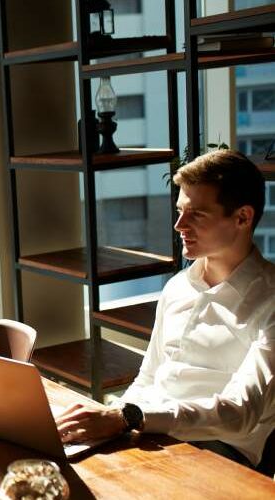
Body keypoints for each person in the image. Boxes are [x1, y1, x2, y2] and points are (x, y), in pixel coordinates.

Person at [55, 149, 274, 472]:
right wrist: (114, 420)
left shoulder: (269, 300)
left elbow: (239, 414)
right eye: (180, 211)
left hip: (218, 453)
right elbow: (149, 378)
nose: (179, 225)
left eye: (196, 214)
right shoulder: (178, 287)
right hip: (149, 431)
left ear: (242, 217)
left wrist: (127, 418)